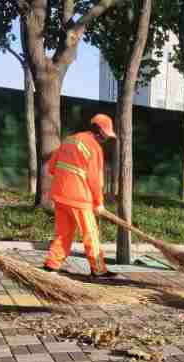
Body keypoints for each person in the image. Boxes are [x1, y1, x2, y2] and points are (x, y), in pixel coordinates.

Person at [44, 114, 117, 278]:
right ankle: (98, 270)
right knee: (90, 233)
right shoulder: (95, 148)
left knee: (63, 233)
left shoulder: (70, 139)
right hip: (79, 198)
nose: (106, 138)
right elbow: (95, 181)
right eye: (106, 135)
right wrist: (99, 203)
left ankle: (52, 265)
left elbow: (51, 167)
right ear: (100, 132)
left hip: (60, 195)